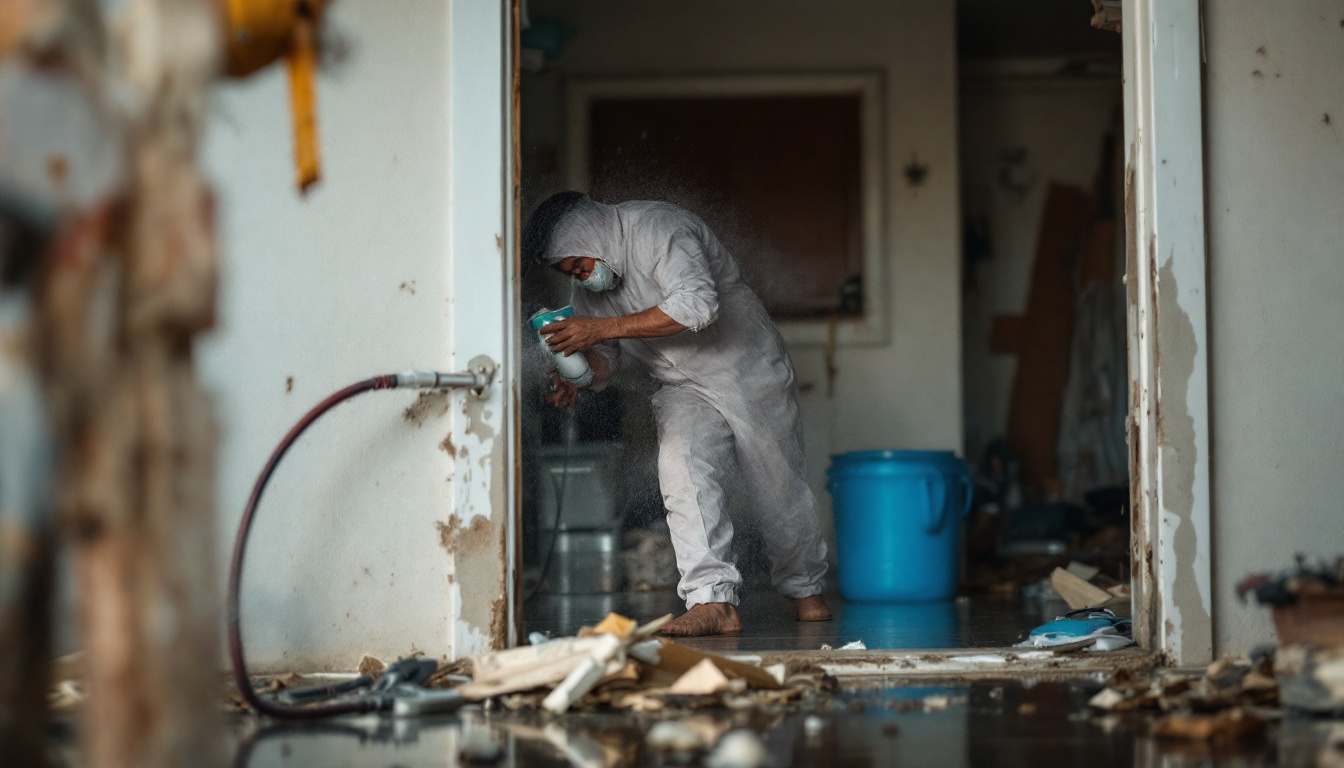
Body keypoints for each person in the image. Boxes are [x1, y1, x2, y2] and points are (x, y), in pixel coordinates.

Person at [523, 191, 830, 637]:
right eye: (571, 274)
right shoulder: (591, 290)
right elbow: (608, 357)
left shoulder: (658, 229)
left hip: (744, 366)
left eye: (580, 265)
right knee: (680, 467)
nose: (583, 278)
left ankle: (805, 589)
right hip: (681, 384)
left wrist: (600, 328)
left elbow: (697, 306)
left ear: (592, 236)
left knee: (775, 481)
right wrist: (579, 377)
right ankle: (712, 600)